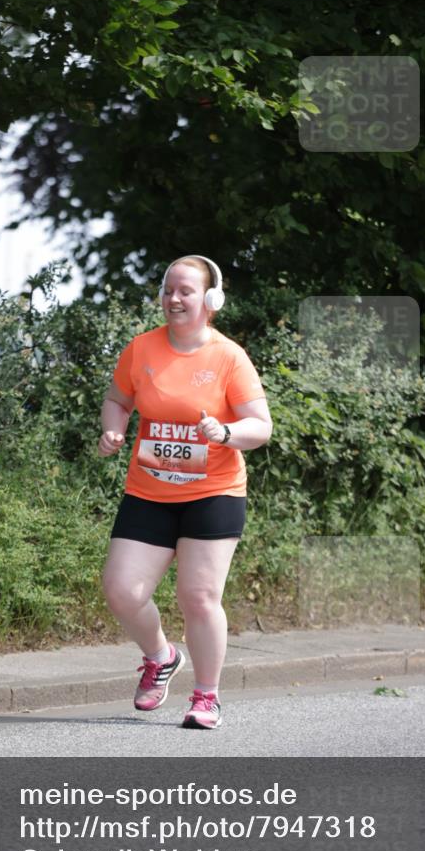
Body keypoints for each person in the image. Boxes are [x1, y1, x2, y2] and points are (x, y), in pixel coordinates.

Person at [98, 256, 272, 729]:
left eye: (186, 291)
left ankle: (206, 696)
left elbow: (261, 426)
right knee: (121, 590)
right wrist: (113, 431)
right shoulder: (141, 349)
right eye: (169, 290)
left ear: (210, 300)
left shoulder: (228, 356)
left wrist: (226, 433)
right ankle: (160, 655)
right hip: (149, 491)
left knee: (198, 597)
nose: (174, 299)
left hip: (214, 492)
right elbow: (117, 399)